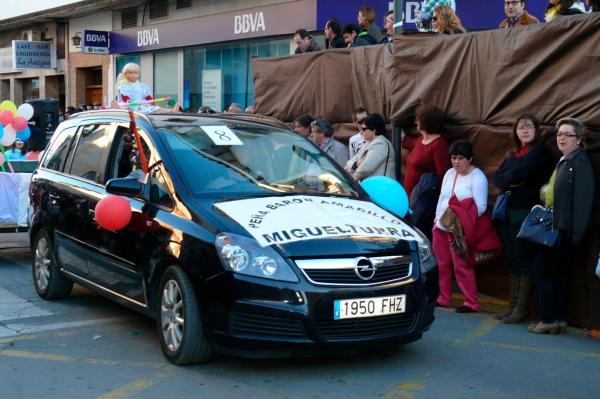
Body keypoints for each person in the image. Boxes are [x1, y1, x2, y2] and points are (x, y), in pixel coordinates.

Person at [528, 118, 594, 334]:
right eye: (559, 134)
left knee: (541, 270)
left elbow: (583, 201)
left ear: (578, 139)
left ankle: (548, 319)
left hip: (564, 231)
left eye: (568, 134)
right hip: (558, 227)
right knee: (558, 274)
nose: (562, 137)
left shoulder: (579, 162)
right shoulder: (566, 160)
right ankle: (558, 320)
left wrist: (575, 234)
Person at [493, 114, 553, 323]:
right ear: (515, 132)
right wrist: (512, 177)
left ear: (536, 129)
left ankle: (522, 308)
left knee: (524, 257)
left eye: (529, 127)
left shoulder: (540, 153)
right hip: (507, 210)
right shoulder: (513, 153)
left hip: (526, 211)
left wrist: (512, 176)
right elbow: (498, 177)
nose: (525, 130)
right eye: (520, 127)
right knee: (511, 257)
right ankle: (512, 304)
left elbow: (518, 173)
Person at [433, 140, 488, 313]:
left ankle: (471, 302)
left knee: (461, 265)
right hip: (441, 226)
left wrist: (460, 219)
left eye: (461, 158)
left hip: (459, 229)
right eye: (453, 158)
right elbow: (442, 198)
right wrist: (436, 220)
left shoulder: (478, 177)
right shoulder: (449, 173)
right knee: (442, 264)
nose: (456, 162)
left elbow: (481, 207)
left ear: (470, 159)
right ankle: (443, 298)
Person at [345, 113, 395, 182]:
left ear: (373, 129)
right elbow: (348, 164)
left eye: (364, 129)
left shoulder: (381, 144)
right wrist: (356, 164)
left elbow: (365, 169)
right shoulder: (369, 143)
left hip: (381, 189)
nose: (361, 132)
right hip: (372, 188)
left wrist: (351, 178)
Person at [112, 62, 179, 113]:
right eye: (130, 73)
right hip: (129, 104)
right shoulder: (123, 86)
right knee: (126, 108)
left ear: (138, 74)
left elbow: (147, 96)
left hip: (141, 104)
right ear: (125, 74)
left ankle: (170, 111)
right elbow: (126, 98)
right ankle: (119, 108)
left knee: (155, 108)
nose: (133, 75)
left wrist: (152, 101)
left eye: (135, 73)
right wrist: (129, 102)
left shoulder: (142, 86)